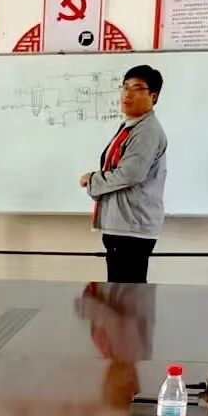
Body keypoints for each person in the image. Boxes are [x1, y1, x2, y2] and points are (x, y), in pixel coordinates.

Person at [79, 65, 168, 284]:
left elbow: (129, 175)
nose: (127, 94)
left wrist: (93, 180)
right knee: (120, 295)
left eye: (137, 88)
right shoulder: (132, 126)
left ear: (153, 97)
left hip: (132, 230)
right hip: (124, 226)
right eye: (125, 87)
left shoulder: (147, 131)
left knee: (127, 297)